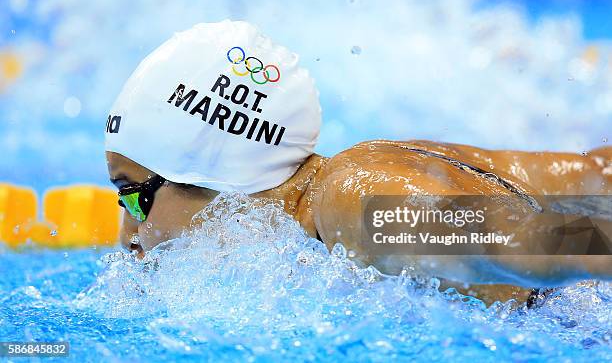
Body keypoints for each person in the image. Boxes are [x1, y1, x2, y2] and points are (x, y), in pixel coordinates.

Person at [105, 21, 611, 304]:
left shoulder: (358, 205)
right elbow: (595, 176)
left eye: (132, 193)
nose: (127, 234)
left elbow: (548, 244)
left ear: (209, 173)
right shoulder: (377, 169)